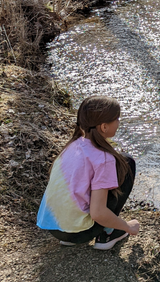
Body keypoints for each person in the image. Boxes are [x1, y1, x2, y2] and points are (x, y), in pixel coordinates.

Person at [36, 96, 139, 250]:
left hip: (53, 228)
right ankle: (108, 234)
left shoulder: (72, 146)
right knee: (126, 163)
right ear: (104, 127)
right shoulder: (104, 159)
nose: (119, 122)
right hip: (78, 233)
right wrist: (127, 227)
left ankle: (73, 226)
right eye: (117, 118)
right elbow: (98, 213)